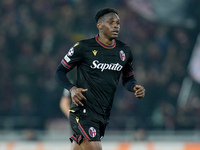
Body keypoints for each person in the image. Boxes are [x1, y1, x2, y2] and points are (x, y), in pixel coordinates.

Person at [55, 8, 145, 150]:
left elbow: (128, 79)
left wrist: (134, 87)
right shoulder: (83, 47)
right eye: (111, 22)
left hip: (102, 114)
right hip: (82, 111)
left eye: (118, 23)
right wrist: (71, 89)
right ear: (100, 25)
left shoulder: (124, 51)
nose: (116, 26)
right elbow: (60, 72)